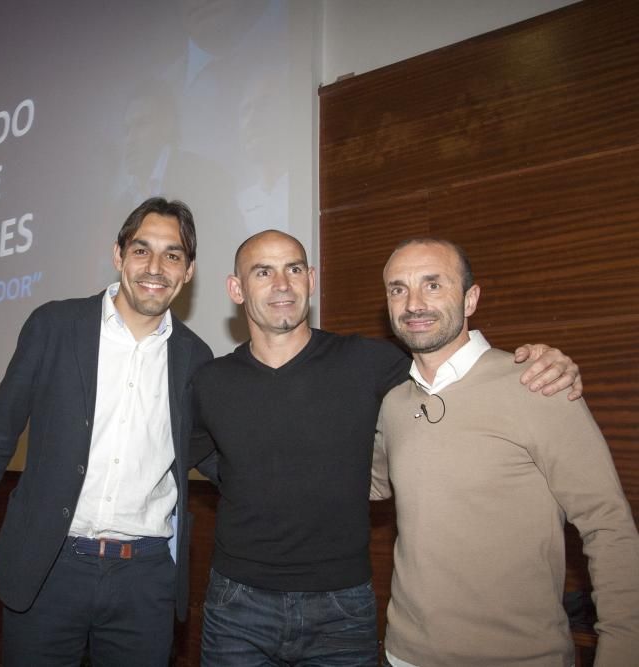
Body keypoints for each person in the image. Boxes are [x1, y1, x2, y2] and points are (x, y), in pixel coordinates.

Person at [191, 230, 582, 666]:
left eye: (294, 269)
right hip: (236, 605)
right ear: (236, 289)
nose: (282, 284)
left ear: (311, 279)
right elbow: (196, 448)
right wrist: (242, 478)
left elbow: (455, 367)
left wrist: (540, 359)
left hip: (342, 608)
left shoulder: (370, 361)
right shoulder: (211, 381)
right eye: (263, 272)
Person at [0, 197, 213, 666]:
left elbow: (212, 452)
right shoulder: (54, 326)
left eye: (173, 255)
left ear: (188, 272)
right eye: (142, 250)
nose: (156, 267)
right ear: (118, 255)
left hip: (144, 582)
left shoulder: (197, 359)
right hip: (48, 567)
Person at [372, 238, 639, 666]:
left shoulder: (537, 385)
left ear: (471, 298)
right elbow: (364, 482)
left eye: (433, 285)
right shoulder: (394, 404)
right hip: (404, 655)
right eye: (398, 288)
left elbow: (608, 526)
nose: (413, 303)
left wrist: (623, 652)